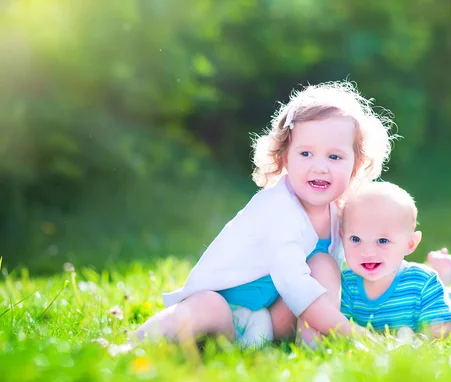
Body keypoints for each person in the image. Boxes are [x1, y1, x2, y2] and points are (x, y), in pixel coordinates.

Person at [134, 81, 395, 347]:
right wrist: (357, 335)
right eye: (305, 153)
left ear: (356, 164)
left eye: (335, 157)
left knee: (325, 265)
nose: (320, 167)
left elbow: (364, 268)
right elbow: (297, 289)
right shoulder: (278, 208)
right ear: (284, 158)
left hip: (270, 323)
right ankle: (136, 344)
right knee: (208, 305)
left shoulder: (340, 214)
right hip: (223, 315)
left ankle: (313, 346)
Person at [340, 182, 451, 339]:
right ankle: (445, 277)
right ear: (342, 237)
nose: (368, 251)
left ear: (410, 244)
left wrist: (414, 344)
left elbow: (441, 330)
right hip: (432, 297)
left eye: (382, 241)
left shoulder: (421, 280)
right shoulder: (346, 285)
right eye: (355, 239)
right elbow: (340, 325)